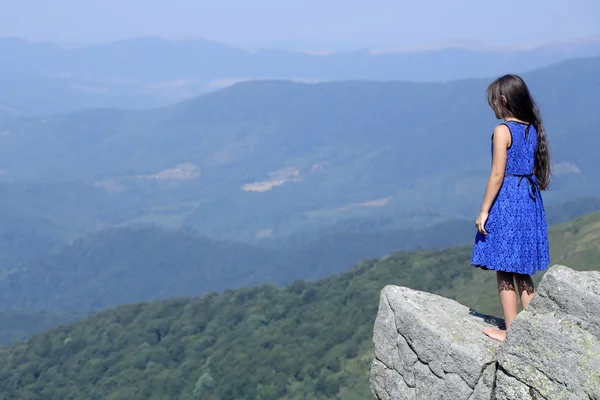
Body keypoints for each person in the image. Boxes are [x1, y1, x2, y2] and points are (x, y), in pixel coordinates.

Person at [471, 74, 551, 342]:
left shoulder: (502, 131)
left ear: (503, 100)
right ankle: (533, 332)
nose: (492, 106)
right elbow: (534, 169)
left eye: (493, 101)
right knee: (522, 270)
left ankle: (513, 332)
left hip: (508, 201)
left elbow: (497, 175)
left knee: (504, 268)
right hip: (528, 200)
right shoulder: (532, 129)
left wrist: (484, 210)